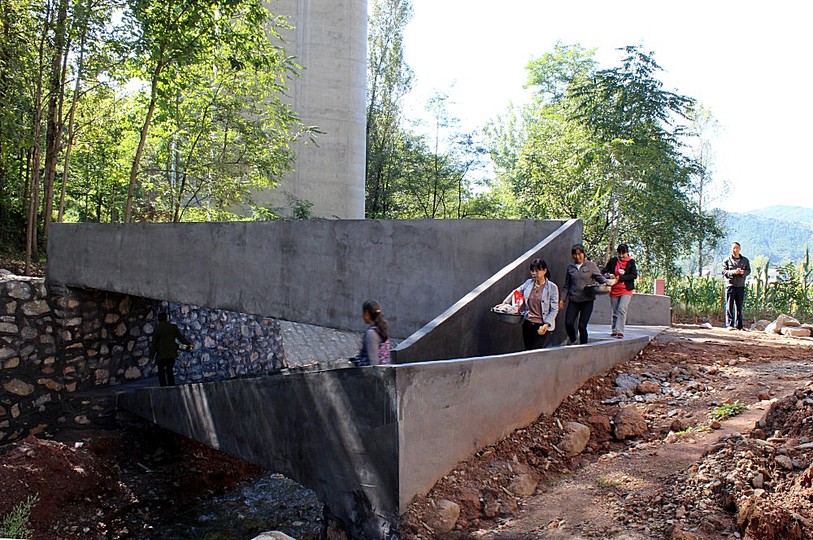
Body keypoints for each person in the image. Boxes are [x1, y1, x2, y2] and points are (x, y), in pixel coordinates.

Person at [559, 244, 615, 345]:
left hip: (587, 300)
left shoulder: (591, 265)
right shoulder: (570, 267)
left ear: (583, 254)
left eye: (579, 254)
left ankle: (584, 346)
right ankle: (573, 339)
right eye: (575, 255)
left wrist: (606, 282)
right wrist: (562, 299)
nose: (577, 257)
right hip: (574, 299)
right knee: (569, 323)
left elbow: (599, 277)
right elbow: (566, 285)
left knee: (582, 325)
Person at [501, 258, 559, 350]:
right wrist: (504, 303)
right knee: (528, 350)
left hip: (542, 325)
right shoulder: (528, 283)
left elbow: (554, 309)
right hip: (528, 323)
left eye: (537, 270)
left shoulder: (552, 287)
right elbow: (516, 292)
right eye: (532, 271)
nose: (534, 273)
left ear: (544, 271)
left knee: (536, 352)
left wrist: (547, 324)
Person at [603, 243, 638, 339]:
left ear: (627, 253)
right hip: (614, 289)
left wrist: (621, 278)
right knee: (615, 311)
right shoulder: (613, 261)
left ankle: (620, 331)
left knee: (622, 309)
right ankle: (614, 330)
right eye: (620, 254)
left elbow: (634, 275)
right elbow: (604, 272)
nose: (622, 256)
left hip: (626, 289)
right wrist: (610, 276)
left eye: (624, 253)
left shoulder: (631, 262)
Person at [151, 312, 194, 387]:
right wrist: (188, 344)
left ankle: (163, 387)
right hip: (171, 354)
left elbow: (154, 343)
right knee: (169, 371)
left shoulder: (158, 328)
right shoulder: (173, 327)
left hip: (161, 355)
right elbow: (181, 338)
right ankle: (171, 386)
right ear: (166, 318)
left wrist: (152, 355)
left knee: (161, 372)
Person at [352, 300, 391, 366]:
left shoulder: (372, 333)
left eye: (362, 313)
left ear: (367, 314)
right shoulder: (381, 329)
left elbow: (373, 363)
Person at [722, 241, 751, 331]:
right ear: (731, 249)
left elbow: (748, 271)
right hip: (730, 285)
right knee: (729, 306)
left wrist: (743, 273)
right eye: (733, 248)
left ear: (740, 249)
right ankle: (730, 325)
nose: (735, 250)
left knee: (739, 306)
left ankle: (739, 326)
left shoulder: (745, 260)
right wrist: (733, 272)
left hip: (740, 286)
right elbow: (724, 272)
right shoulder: (727, 260)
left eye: (737, 248)